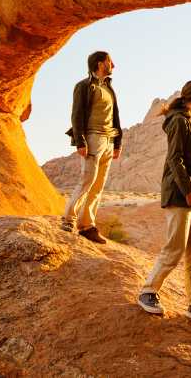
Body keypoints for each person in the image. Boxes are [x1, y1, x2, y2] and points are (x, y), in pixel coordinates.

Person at [137, 80, 191, 329]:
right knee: (174, 249)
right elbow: (175, 160)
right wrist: (189, 191)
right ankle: (148, 291)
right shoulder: (178, 121)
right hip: (180, 196)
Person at [61, 50, 123, 244]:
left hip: (108, 140)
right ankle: (68, 220)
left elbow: (115, 117)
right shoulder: (84, 86)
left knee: (98, 186)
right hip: (93, 138)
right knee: (88, 179)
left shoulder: (108, 88)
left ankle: (87, 225)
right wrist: (80, 141)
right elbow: (76, 115)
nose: (113, 65)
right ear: (99, 63)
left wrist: (117, 143)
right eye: (110, 61)